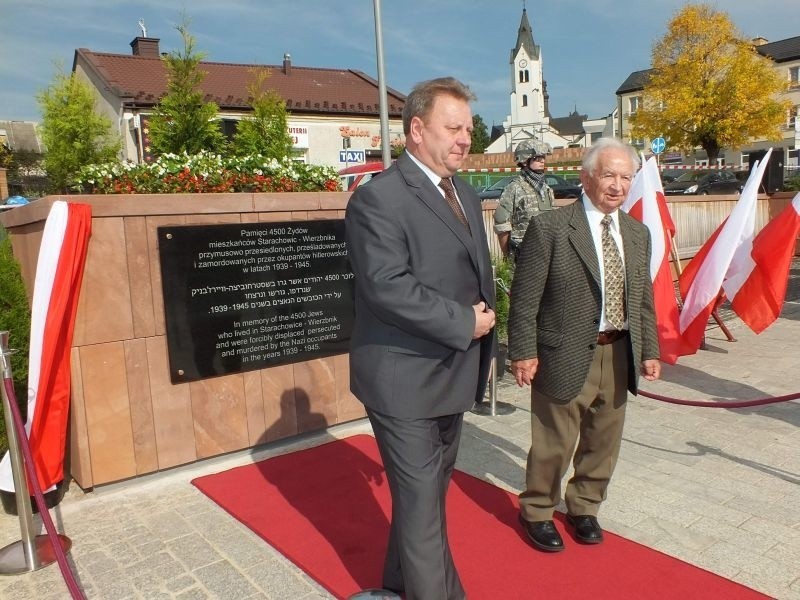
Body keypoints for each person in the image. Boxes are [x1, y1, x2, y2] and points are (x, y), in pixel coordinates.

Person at [345, 77, 496, 599]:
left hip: (451, 375)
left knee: (424, 501)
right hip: (402, 381)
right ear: (415, 131)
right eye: (452, 128)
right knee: (423, 509)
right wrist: (464, 323)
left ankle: (396, 586)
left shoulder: (467, 195)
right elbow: (386, 287)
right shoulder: (379, 199)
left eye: (469, 130)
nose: (464, 140)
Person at [508, 137, 661, 553]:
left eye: (625, 177)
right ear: (586, 177)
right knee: (554, 440)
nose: (617, 185)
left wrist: (649, 350)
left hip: (619, 349)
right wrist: (522, 351)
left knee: (603, 440)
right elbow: (526, 297)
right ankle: (537, 510)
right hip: (563, 350)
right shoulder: (551, 227)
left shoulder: (636, 233)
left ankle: (584, 507)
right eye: (608, 175)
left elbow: (642, 297)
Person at [493, 140, 556, 263]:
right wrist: (508, 256)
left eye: (543, 157)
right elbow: (501, 222)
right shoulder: (515, 188)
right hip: (523, 257)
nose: (542, 161)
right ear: (524, 161)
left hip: (546, 255)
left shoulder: (546, 189)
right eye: (537, 158)